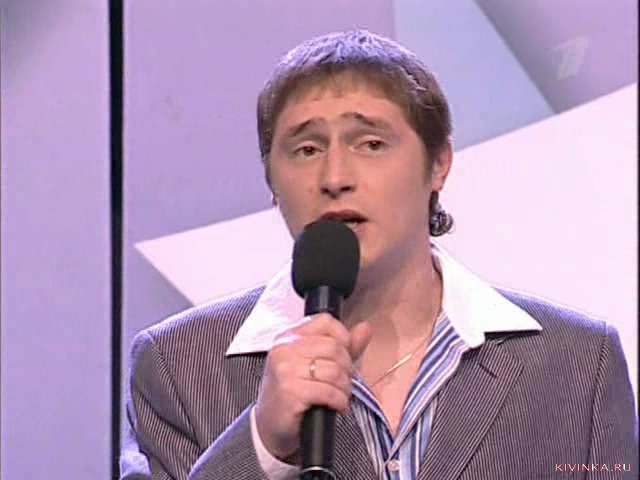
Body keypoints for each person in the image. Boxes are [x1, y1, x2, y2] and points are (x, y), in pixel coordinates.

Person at [119, 30, 638, 480]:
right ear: (272, 181)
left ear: (438, 165)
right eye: (306, 149)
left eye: (370, 143)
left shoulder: (577, 363)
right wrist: (262, 445)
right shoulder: (179, 364)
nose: (334, 177)